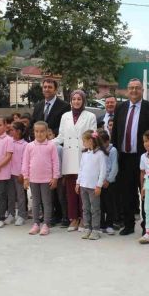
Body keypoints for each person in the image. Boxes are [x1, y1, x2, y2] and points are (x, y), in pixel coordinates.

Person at [111, 78, 149, 236]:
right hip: (125, 158)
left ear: (142, 90)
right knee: (126, 193)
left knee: (146, 192)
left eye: (137, 88)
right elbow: (115, 135)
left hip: (146, 159)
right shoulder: (120, 108)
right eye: (131, 88)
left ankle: (147, 227)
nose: (134, 91)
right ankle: (128, 224)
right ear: (127, 90)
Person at [56, 89, 97, 232]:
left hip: (83, 156)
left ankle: (84, 219)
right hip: (69, 157)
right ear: (70, 101)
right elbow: (61, 136)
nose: (76, 101)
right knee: (70, 191)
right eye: (74, 99)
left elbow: (93, 136)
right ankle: (73, 218)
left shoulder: (90, 116)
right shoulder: (65, 116)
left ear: (83, 101)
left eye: (79, 99)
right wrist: (47, 143)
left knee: (84, 189)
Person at [23, 121, 60, 236]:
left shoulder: (51, 145)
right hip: (33, 179)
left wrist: (55, 177)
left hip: (47, 180)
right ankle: (36, 223)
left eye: (42, 131)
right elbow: (25, 162)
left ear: (47, 132)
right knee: (35, 202)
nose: (39, 134)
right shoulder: (29, 146)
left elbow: (55, 162)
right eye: (37, 131)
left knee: (47, 202)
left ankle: (46, 224)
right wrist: (25, 177)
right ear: (33, 132)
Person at [76, 129, 108, 241]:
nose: (83, 143)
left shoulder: (100, 154)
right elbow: (81, 169)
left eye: (84, 141)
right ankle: (87, 228)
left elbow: (103, 171)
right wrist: (78, 183)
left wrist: (99, 185)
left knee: (95, 209)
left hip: (94, 187)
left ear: (91, 141)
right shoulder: (85, 154)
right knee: (85, 208)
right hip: (83, 186)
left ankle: (95, 229)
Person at [8, 122, 28, 226]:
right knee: (10, 195)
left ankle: (21, 215)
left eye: (12, 130)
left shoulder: (25, 145)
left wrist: (22, 174)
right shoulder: (9, 141)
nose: (10, 132)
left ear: (19, 131)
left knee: (20, 195)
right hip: (9, 173)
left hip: (19, 174)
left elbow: (25, 160)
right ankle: (11, 214)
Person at [100, 130, 118, 235]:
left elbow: (114, 167)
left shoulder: (113, 150)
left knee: (110, 204)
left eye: (102, 143)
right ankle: (102, 224)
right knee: (101, 204)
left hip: (109, 183)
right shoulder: (99, 150)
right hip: (100, 182)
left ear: (107, 141)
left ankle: (110, 224)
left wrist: (109, 179)